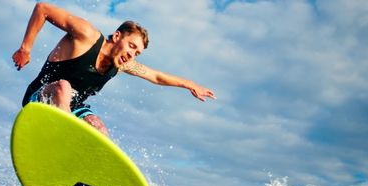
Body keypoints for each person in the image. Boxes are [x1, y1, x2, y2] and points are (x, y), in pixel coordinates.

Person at [12, 2, 216, 136]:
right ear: (117, 36)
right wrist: (25, 49)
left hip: (69, 109)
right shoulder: (86, 35)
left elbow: (156, 76)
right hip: (38, 100)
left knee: (98, 126)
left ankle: (90, 171)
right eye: (132, 46)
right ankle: (64, 140)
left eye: (137, 53)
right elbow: (43, 9)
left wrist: (189, 84)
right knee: (63, 87)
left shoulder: (122, 63)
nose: (132, 55)